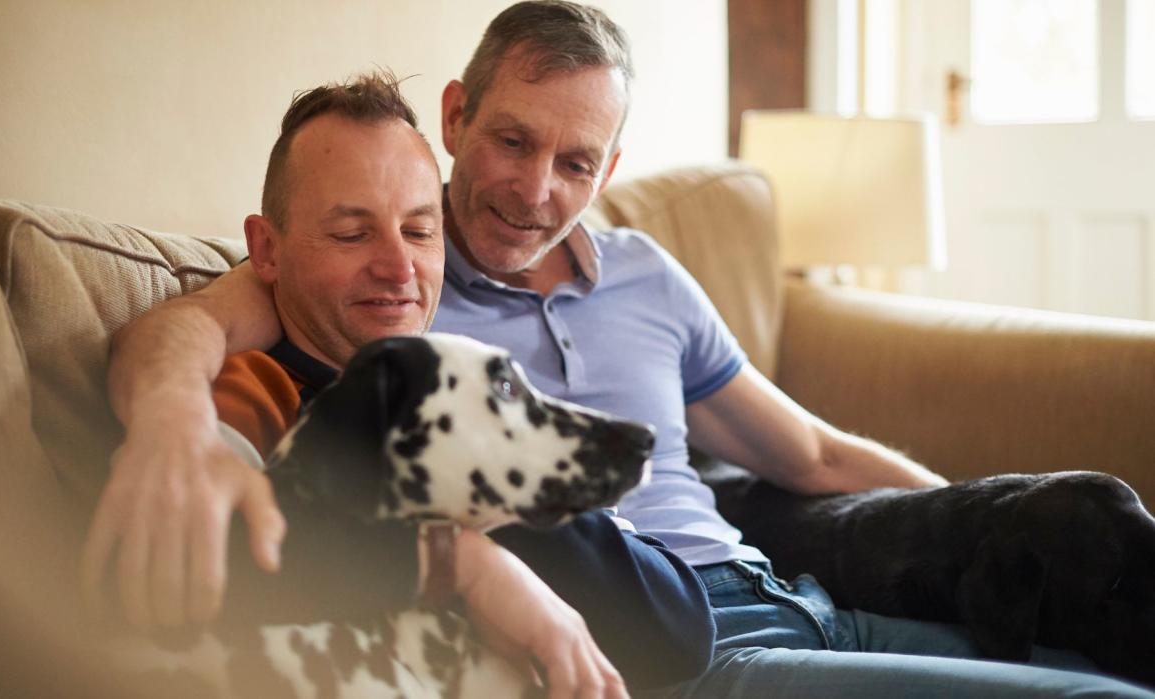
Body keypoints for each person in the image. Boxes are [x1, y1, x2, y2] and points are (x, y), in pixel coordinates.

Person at [87, 2, 1155, 697]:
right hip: (682, 648)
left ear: (610, 166)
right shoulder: (392, 280)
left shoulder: (643, 271)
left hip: (794, 588)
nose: (535, 189)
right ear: (458, 118)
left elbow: (816, 459)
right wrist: (174, 429)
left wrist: (980, 516)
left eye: (575, 162)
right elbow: (183, 331)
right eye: (512, 140)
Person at [84, 69, 713, 698]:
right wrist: (461, 564)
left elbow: (678, 627)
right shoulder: (258, 388)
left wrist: (484, 491)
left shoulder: (468, 400)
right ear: (266, 250)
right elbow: (201, 564)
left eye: (419, 231)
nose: (397, 267)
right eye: (352, 233)